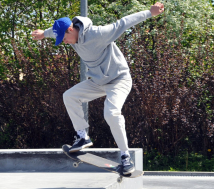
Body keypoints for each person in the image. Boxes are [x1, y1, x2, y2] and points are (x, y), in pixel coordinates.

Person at [32, 2, 164, 175]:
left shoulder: (99, 33)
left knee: (111, 113)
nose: (64, 43)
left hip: (119, 80)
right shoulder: (69, 33)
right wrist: (44, 34)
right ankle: (82, 136)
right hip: (98, 81)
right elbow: (54, 30)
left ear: (71, 30)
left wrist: (149, 12)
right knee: (69, 96)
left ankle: (125, 157)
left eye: (64, 38)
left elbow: (123, 23)